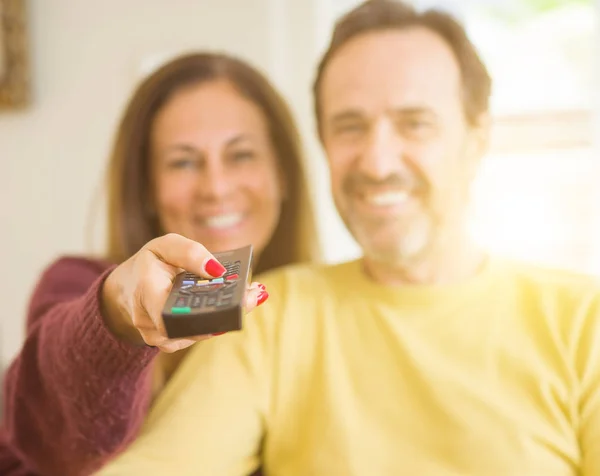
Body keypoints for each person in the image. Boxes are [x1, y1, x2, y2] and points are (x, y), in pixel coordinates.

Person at [96, 1, 600, 475]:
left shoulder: (584, 322)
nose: (377, 163)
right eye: (349, 126)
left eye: (415, 124)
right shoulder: (269, 316)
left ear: (478, 138)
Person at [0, 52, 318, 476]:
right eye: (183, 162)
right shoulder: (75, 281)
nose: (216, 187)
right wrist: (118, 312)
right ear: (147, 188)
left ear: (282, 174)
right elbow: (52, 441)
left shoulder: (318, 311)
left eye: (241, 155)